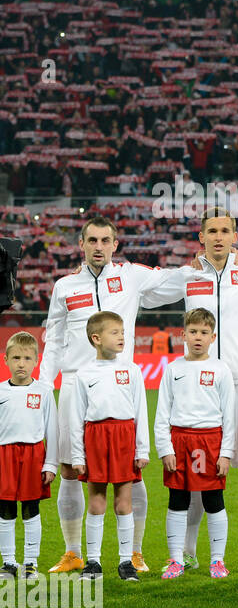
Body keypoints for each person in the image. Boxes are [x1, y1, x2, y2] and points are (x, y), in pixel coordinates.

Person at [147, 207, 238, 572]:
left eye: (225, 230)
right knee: (196, 476)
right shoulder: (188, 275)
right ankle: (188, 552)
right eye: (211, 231)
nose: (218, 237)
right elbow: (147, 292)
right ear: (200, 237)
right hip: (201, 385)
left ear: (235, 236)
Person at [42, 216, 171, 575]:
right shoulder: (65, 286)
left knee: (131, 474)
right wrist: (41, 383)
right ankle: (73, 553)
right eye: (92, 240)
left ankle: (134, 553)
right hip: (72, 385)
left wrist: (205, 264)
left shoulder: (130, 275)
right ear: (80, 245)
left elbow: (171, 280)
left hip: (118, 384)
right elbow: (53, 340)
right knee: (70, 470)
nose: (99, 246)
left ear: (115, 245)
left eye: (105, 240)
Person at [67, 311, 150, 582]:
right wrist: (78, 455)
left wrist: (142, 450)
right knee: (97, 502)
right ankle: (93, 563)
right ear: (96, 338)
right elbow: (76, 418)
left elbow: (140, 411)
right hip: (96, 438)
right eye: (115, 333)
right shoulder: (84, 374)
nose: (121, 337)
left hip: (124, 437)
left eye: (122, 332)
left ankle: (126, 562)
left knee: (124, 503)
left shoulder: (131, 370)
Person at [155, 308, 237, 580]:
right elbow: (162, 413)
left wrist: (226, 454)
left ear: (213, 337)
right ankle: (176, 559)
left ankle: (217, 560)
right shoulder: (173, 369)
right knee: (177, 499)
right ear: (183, 335)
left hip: (210, 440)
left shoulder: (220, 369)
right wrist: (165, 448)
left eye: (204, 332)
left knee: (214, 499)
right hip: (179, 439)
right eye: (193, 332)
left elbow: (230, 416)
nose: (198, 337)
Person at [0, 332, 57, 580]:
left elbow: (52, 430)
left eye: (26, 358)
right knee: (5, 509)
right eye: (15, 358)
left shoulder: (43, 391)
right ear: (5, 360)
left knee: (31, 509)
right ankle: (9, 563)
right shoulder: (1, 391)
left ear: (36, 360)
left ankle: (30, 563)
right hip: (5, 455)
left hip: (34, 455)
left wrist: (51, 463)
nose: (20, 363)